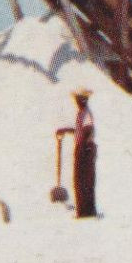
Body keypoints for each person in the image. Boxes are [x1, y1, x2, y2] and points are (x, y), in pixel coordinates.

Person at [55, 88, 98, 218]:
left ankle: (86, 211)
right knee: (81, 181)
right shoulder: (82, 113)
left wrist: (83, 147)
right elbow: (80, 130)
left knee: (83, 181)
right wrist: (67, 130)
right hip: (83, 148)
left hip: (85, 149)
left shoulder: (86, 114)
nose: (77, 102)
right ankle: (85, 210)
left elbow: (88, 130)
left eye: (79, 99)